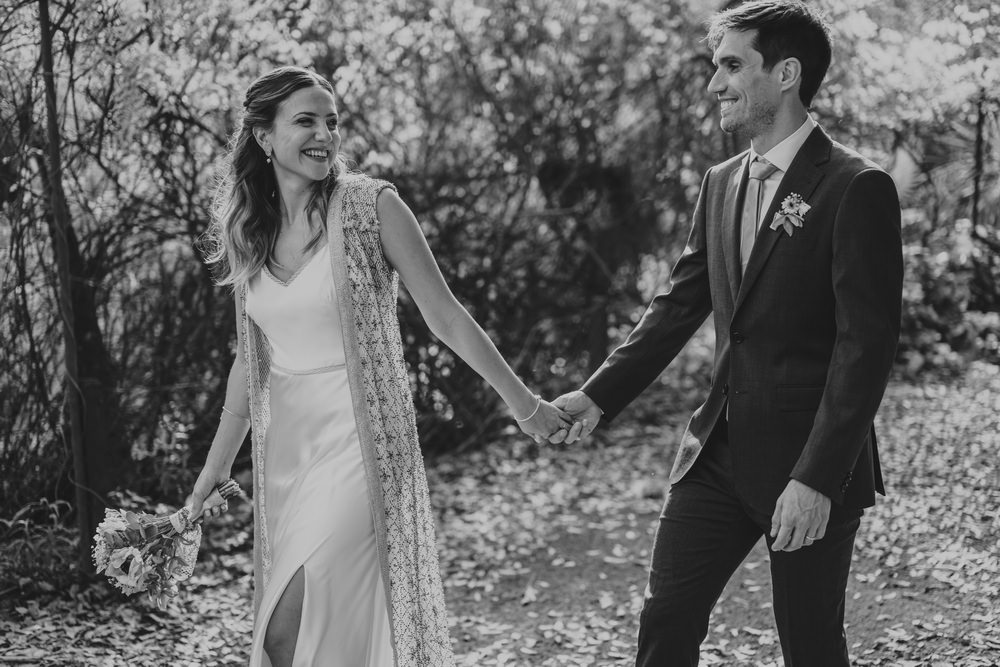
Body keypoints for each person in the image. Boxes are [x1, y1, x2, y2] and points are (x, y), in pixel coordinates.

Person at [551, 1, 903, 665]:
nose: (714, 83)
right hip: (714, 453)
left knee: (812, 645)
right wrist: (595, 398)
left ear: (787, 73)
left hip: (808, 461)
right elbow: (676, 306)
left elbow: (867, 347)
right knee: (665, 623)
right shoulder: (719, 183)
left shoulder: (857, 187)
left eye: (732, 65)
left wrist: (818, 477)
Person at [185, 66, 571, 667]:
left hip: (364, 445)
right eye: (305, 121)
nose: (324, 135)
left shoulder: (370, 205)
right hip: (289, 455)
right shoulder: (248, 229)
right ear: (263, 137)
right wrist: (212, 470)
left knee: (294, 628)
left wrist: (525, 406)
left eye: (332, 122)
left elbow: (445, 317)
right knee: (287, 640)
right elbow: (249, 363)